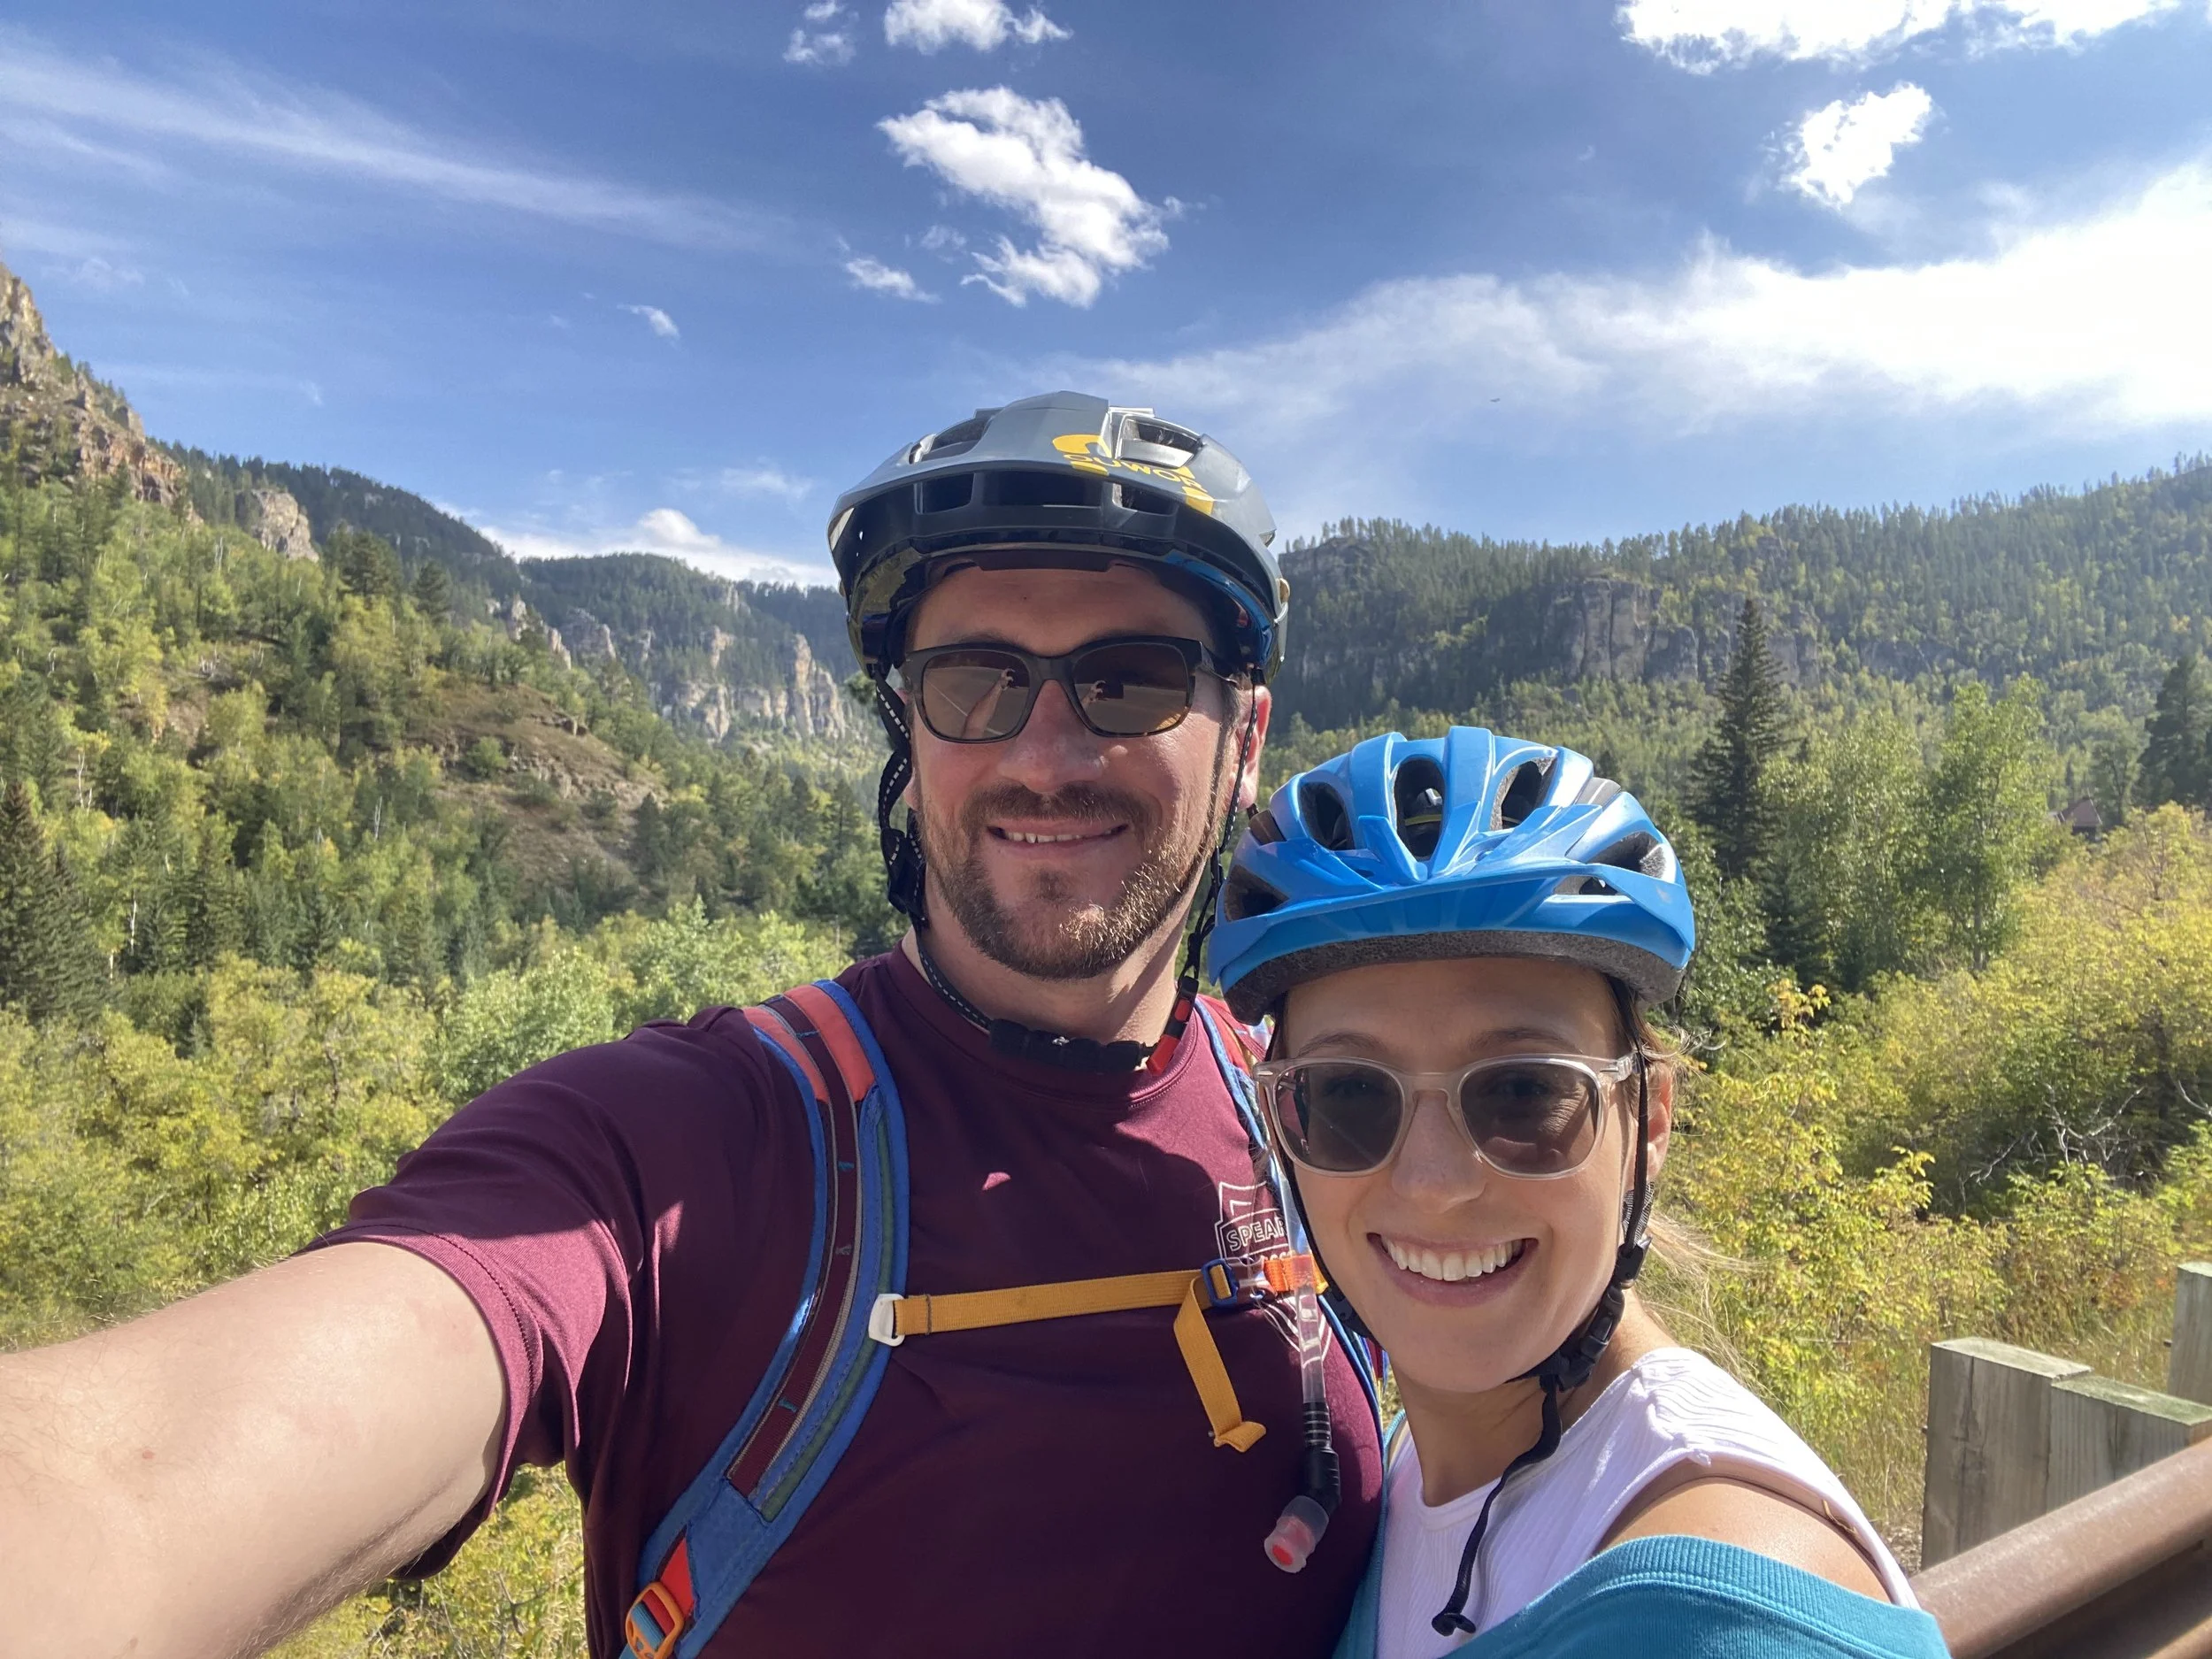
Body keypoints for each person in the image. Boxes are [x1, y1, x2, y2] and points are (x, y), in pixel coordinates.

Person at [0, 392, 1383, 1657]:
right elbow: (127, 1479)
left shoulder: (1346, 1123)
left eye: (1130, 678)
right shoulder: (682, 1142)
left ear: (1246, 731)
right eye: (975, 680)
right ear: (911, 727)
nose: (1041, 749)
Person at [1206, 728, 1949, 1657]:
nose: (1432, 1185)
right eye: (1348, 1095)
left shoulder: (1720, 1616)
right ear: (1285, 1123)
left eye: (1521, 1091)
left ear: (1648, 1119)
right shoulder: (1414, 1463)